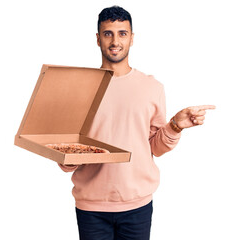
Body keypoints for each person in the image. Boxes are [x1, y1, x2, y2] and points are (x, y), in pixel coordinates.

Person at [58, 6, 215, 240]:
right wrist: (63, 153)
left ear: (132, 39)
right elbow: (67, 161)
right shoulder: (78, 89)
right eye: (108, 33)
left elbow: (155, 148)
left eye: (122, 33)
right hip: (91, 207)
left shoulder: (152, 87)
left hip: (138, 207)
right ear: (98, 39)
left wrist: (175, 126)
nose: (115, 41)